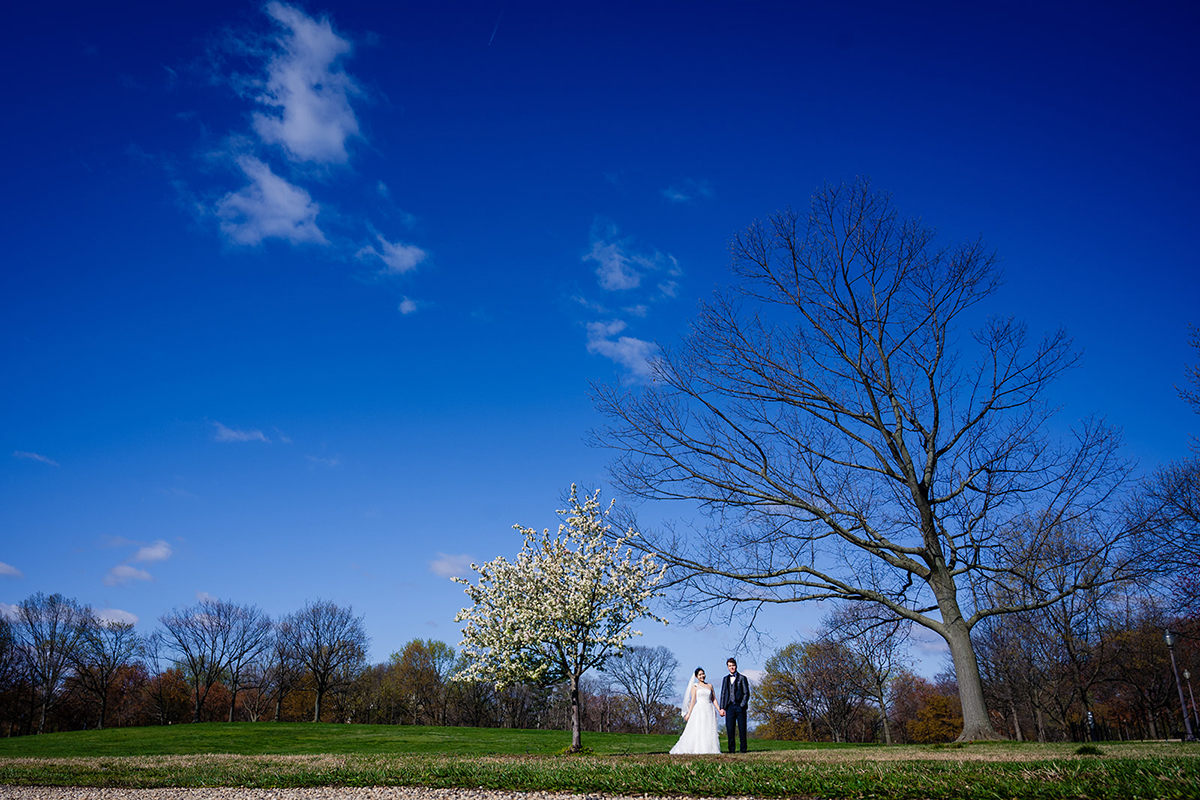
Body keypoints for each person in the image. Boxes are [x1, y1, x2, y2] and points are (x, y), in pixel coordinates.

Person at [669, 667, 722, 754]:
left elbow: (714, 699)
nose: (702, 676)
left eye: (703, 674)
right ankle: (699, 748)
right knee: (699, 728)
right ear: (697, 677)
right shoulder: (695, 686)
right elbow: (693, 700)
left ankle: (709, 748)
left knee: (709, 729)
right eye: (700, 675)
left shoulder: (710, 686)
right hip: (699, 709)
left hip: (709, 709)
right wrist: (689, 713)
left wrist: (719, 709)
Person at [719, 657, 750, 753]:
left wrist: (742, 705)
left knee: (742, 728)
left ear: (736, 666)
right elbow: (723, 694)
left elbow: (746, 693)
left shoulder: (742, 678)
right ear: (727, 667)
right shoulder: (725, 679)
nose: (731, 667)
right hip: (729, 707)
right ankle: (731, 750)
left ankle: (743, 749)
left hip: (740, 707)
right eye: (729, 666)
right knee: (730, 729)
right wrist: (722, 708)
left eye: (733, 665)